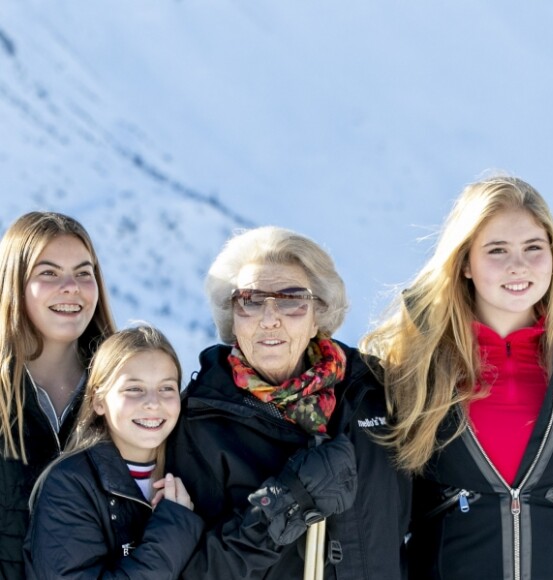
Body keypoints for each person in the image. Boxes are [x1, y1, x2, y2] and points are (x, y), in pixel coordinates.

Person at [361, 175, 553, 579]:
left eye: (534, 247)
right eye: (497, 250)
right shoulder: (414, 361)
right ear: (464, 263)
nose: (518, 266)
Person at [167, 225, 411, 580]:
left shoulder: (377, 395)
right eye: (250, 301)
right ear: (233, 318)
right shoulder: (197, 421)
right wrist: (290, 502)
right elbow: (191, 571)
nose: (270, 319)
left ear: (318, 317)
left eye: (293, 300)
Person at [24, 325, 204, 578]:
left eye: (166, 388)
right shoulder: (69, 484)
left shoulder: (192, 472)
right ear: (99, 401)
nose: (153, 402)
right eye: (134, 389)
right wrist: (174, 529)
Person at [0, 211, 115, 578]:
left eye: (84, 273)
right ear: (14, 283)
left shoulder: (126, 395)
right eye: (48, 273)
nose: (72, 287)